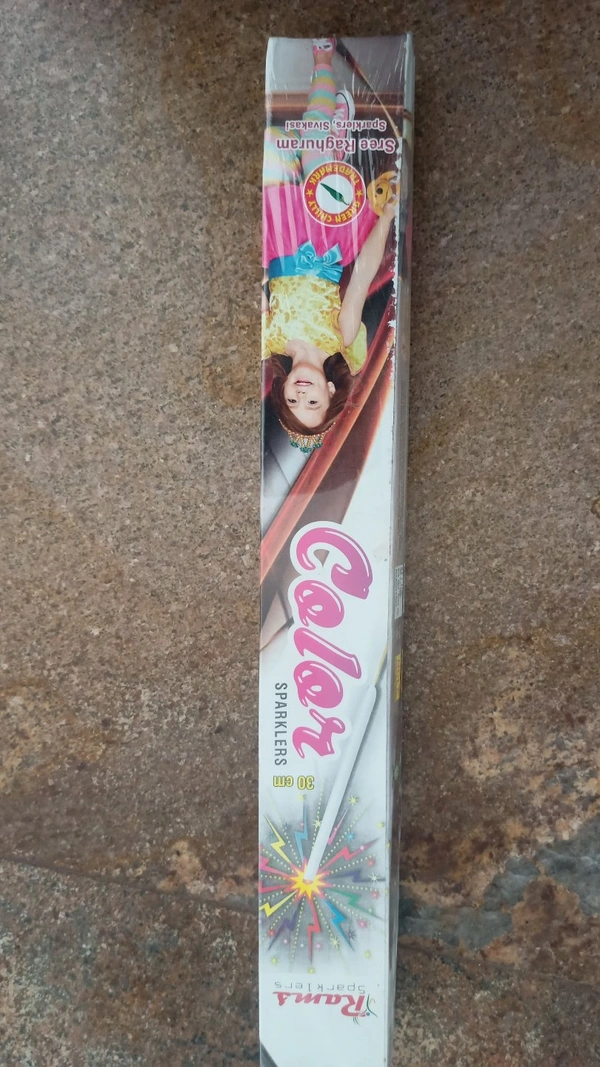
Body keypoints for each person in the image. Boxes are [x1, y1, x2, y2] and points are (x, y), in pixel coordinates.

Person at [262, 38, 398, 452]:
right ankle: (322, 61)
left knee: (275, 143)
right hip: (324, 239)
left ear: (283, 389)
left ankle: (330, 134)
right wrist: (387, 216)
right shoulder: (340, 337)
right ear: (331, 390)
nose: (302, 394)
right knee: (315, 148)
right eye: (313, 402)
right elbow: (363, 276)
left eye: (293, 401)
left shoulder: (269, 341)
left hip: (280, 237)